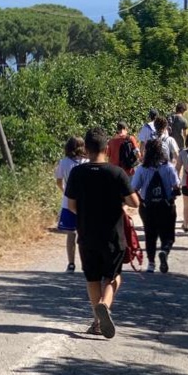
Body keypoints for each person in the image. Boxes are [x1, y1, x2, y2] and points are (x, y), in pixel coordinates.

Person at [65, 127, 140, 338]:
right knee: (113, 276)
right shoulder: (116, 172)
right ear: (107, 148)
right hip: (113, 235)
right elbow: (134, 201)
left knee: (92, 278)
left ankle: (97, 322)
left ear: (86, 149)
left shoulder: (77, 173)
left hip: (87, 234)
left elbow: (71, 205)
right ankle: (105, 306)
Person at [130, 139, 180, 273]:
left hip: (148, 207)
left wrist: (141, 200)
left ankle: (151, 263)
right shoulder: (168, 167)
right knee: (168, 234)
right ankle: (164, 250)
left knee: (150, 234)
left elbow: (133, 187)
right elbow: (176, 185)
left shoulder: (141, 169)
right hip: (166, 206)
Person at [55, 136, 87, 273]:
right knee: (85, 235)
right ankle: (86, 263)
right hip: (85, 202)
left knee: (71, 234)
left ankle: (71, 264)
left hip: (69, 202)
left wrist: (65, 191)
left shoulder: (63, 162)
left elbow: (58, 181)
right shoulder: (87, 161)